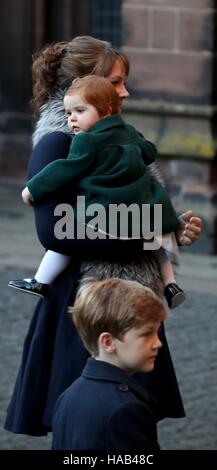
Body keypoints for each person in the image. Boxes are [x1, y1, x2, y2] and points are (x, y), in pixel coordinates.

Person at [4, 36, 202, 437]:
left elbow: (128, 207)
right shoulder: (60, 141)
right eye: (115, 82)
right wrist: (150, 232)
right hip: (87, 303)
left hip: (127, 293)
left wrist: (172, 228)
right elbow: (54, 231)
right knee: (92, 432)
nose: (126, 91)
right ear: (83, 84)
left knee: (128, 425)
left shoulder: (115, 135)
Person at [9, 75, 185, 308]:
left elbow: (66, 168)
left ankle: (41, 281)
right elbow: (150, 152)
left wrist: (33, 188)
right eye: (69, 113)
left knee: (65, 234)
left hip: (107, 209)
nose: (72, 118)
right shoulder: (128, 132)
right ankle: (171, 284)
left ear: (104, 110)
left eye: (80, 111)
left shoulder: (86, 141)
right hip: (146, 207)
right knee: (158, 240)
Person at [52, 277, 167, 451]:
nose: (158, 343)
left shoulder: (68, 395)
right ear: (108, 342)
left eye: (157, 333)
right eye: (147, 334)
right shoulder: (126, 409)